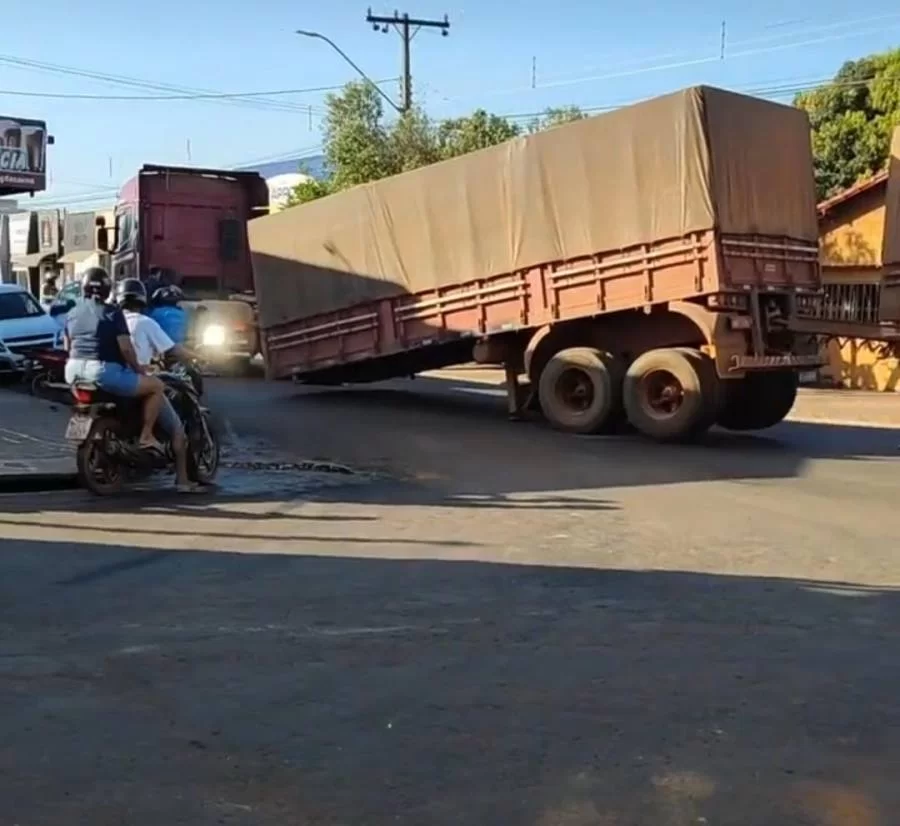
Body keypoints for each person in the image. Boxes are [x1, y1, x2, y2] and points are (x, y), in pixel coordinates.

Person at [115, 278, 203, 494]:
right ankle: (182, 481)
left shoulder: (113, 320)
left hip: (116, 379)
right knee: (177, 430)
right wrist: (198, 356)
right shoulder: (145, 322)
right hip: (140, 378)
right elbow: (173, 350)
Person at [63, 267, 165, 453]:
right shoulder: (112, 312)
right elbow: (126, 348)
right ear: (108, 290)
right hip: (103, 371)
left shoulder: (72, 313)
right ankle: (146, 435)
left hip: (73, 371)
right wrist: (139, 369)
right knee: (156, 386)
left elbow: (67, 346)